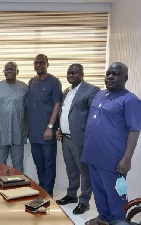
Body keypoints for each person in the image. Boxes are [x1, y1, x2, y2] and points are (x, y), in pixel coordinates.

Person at [82, 62, 141, 225]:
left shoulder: (131, 100)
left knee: (115, 194)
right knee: (99, 191)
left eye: (115, 74)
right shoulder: (99, 95)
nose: (110, 77)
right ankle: (104, 218)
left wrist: (127, 158)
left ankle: (118, 221)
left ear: (125, 77)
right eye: (108, 73)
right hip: (93, 154)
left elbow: (134, 130)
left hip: (113, 159)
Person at [55, 64, 100, 214]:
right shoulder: (67, 91)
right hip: (65, 138)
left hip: (80, 138)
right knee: (71, 169)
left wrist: (88, 135)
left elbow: (94, 116)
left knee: (84, 171)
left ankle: (84, 200)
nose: (71, 75)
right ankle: (71, 195)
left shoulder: (91, 90)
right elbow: (65, 112)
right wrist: (60, 129)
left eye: (74, 73)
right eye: (69, 73)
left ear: (82, 74)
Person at [27, 54, 62, 196]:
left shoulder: (54, 81)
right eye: (36, 63)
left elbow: (57, 105)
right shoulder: (31, 82)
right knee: (39, 163)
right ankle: (42, 189)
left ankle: (48, 193)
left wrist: (50, 127)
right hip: (34, 132)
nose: (39, 65)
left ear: (47, 64)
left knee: (49, 164)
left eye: (42, 62)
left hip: (47, 132)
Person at [0, 62, 28, 172]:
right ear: (4, 72)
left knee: (18, 165)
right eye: (7, 69)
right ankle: (0, 188)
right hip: (1, 131)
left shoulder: (24, 87)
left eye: (12, 69)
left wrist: (27, 129)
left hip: (18, 132)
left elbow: (27, 110)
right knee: (0, 165)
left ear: (17, 72)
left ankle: (19, 188)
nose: (9, 71)